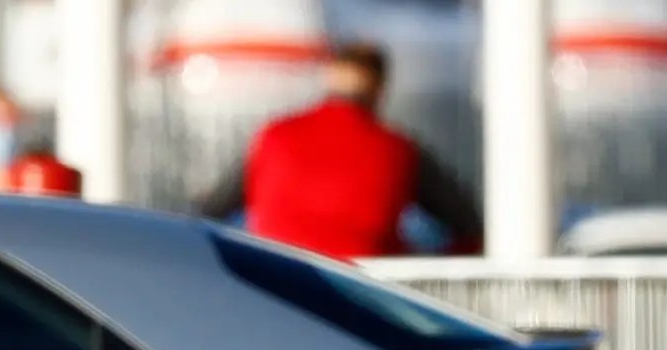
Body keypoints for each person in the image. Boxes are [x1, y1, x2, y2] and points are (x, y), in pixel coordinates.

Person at [195, 41, 483, 260]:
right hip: (361, 294)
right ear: (380, 90)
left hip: (275, 282)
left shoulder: (273, 137)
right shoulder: (398, 150)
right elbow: (469, 226)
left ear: (329, 79)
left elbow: (205, 215)